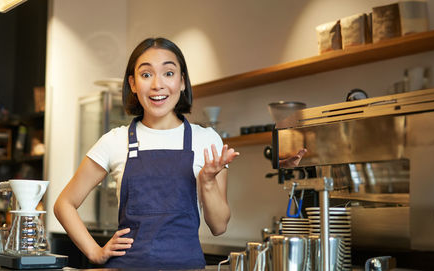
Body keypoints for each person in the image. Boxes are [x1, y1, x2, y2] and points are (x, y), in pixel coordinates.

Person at [53, 37, 306, 269]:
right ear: (132, 83)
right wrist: (95, 252)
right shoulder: (114, 141)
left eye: (168, 73)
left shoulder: (206, 140)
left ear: (182, 81)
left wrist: (207, 182)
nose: (157, 84)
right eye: (146, 74)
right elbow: (64, 203)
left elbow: (219, 226)